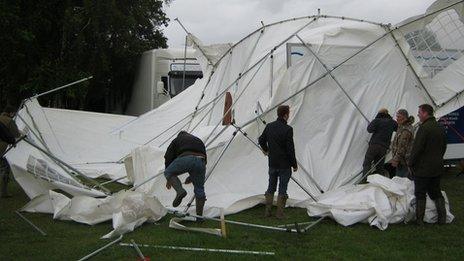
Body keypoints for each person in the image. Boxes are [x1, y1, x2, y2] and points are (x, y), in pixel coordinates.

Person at [409, 104, 447, 225]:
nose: (418, 114)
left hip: (423, 167)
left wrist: (411, 163)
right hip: (437, 166)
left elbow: (417, 148)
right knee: (436, 192)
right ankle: (442, 218)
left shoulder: (424, 128)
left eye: (419, 112)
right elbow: (443, 147)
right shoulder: (440, 127)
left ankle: (419, 220)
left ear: (425, 113)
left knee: (420, 193)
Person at [258, 105, 297, 219]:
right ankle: (280, 214)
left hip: (273, 162)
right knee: (282, 188)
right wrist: (294, 164)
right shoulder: (288, 129)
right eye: (288, 114)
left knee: (271, 187)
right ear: (285, 115)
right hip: (284, 164)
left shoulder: (269, 126)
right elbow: (290, 149)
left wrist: (266, 150)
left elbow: (261, 140)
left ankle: (267, 212)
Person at [164, 131, 207, 218]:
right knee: (199, 189)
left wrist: (169, 178)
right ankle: (199, 217)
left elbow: (168, 156)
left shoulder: (177, 140)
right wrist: (192, 177)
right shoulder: (198, 140)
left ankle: (180, 191)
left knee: (168, 172)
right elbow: (204, 157)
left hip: (186, 158)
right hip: (201, 161)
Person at [362, 108, 397, 178]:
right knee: (379, 165)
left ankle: (365, 179)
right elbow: (398, 129)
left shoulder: (377, 120)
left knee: (367, 162)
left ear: (379, 113)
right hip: (384, 147)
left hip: (374, 145)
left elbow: (369, 130)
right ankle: (380, 180)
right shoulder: (392, 122)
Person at [0, 105, 20, 198]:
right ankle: (4, 192)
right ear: (11, 113)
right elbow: (16, 134)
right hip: (3, 147)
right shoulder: (9, 121)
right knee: (5, 168)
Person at [389, 109, 415, 178]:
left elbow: (402, 147)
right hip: (401, 161)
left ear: (404, 118)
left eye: (399, 117)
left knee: (401, 181)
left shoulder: (406, 130)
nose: (397, 119)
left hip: (404, 161)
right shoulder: (401, 127)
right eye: (397, 117)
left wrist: (396, 159)